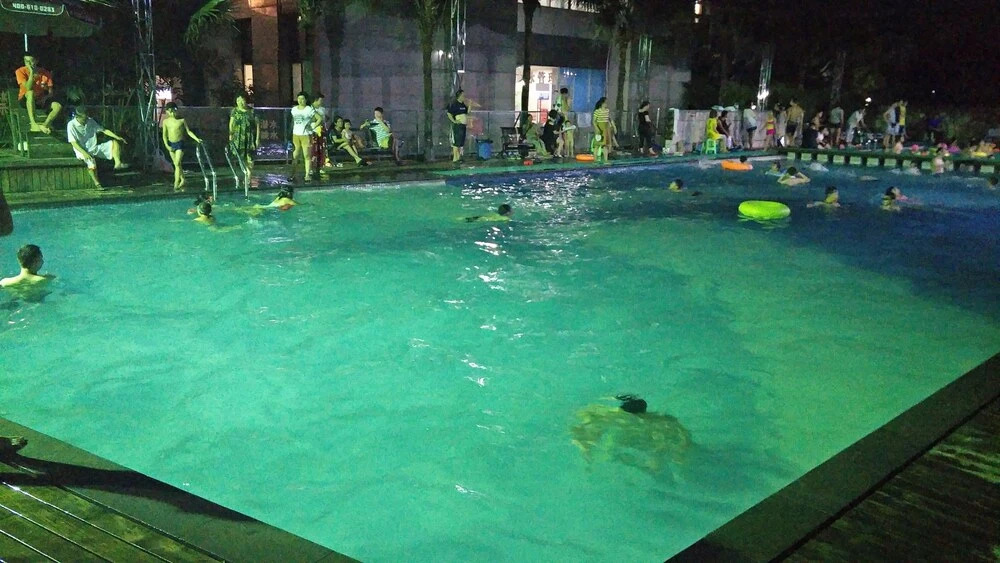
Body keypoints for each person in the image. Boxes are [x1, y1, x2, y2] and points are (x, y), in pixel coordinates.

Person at [570, 394, 692, 474]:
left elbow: (580, 428)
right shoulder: (662, 420)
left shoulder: (601, 414)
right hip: (641, 446)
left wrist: (585, 449)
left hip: (623, 446)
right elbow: (681, 435)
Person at [66, 106, 128, 189]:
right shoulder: (71, 125)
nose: (86, 120)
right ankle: (97, 183)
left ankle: (117, 163)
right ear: (77, 117)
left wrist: (117, 137)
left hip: (93, 147)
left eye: (86, 117)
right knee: (91, 162)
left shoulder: (90, 121)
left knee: (114, 143)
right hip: (81, 150)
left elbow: (103, 130)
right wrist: (85, 153)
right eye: (84, 119)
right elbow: (73, 143)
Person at [14, 53, 62, 134]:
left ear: (36, 61)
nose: (29, 64)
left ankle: (45, 125)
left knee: (58, 106)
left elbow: (50, 92)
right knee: (30, 93)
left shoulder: (45, 73)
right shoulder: (20, 71)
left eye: (31, 61)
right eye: (26, 61)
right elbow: (28, 88)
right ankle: (33, 123)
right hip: (26, 99)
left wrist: (44, 98)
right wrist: (31, 73)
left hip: (40, 99)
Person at [161, 102, 203, 192]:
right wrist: (167, 146)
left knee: (177, 163)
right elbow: (164, 136)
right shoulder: (166, 122)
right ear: (167, 112)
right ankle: (183, 179)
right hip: (171, 144)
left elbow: (188, 132)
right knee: (177, 164)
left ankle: (176, 183)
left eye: (174, 111)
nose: (173, 113)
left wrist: (197, 139)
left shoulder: (181, 120)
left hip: (180, 144)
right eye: (171, 111)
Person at [228, 93, 260, 175]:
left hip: (250, 137)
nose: (240, 102)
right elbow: (231, 124)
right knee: (241, 156)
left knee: (250, 156)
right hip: (238, 137)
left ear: (245, 100)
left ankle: (248, 173)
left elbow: (257, 125)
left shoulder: (252, 111)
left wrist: (257, 139)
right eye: (238, 100)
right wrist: (231, 134)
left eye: (242, 100)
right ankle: (246, 173)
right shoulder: (234, 111)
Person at [290, 92, 316, 181]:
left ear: (306, 100)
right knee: (295, 155)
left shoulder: (309, 109)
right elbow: (293, 121)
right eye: (299, 99)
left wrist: (312, 126)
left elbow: (318, 118)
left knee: (306, 155)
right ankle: (293, 174)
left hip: (306, 134)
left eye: (302, 99)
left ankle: (307, 174)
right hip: (296, 134)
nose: (300, 101)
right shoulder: (294, 109)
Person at [447, 89, 475, 163]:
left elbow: (467, 112)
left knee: (460, 142)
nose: (464, 97)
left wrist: (470, 105)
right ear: (459, 96)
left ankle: (458, 157)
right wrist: (454, 121)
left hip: (463, 126)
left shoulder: (463, 105)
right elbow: (449, 113)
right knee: (456, 143)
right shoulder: (455, 104)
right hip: (457, 126)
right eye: (463, 95)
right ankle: (455, 158)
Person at [553, 87, 575, 157]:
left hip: (560, 118)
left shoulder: (558, 99)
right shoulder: (563, 99)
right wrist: (567, 102)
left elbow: (557, 108)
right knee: (564, 134)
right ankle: (564, 152)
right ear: (565, 93)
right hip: (563, 118)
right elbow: (566, 109)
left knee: (562, 135)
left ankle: (563, 151)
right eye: (566, 94)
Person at [309, 93, 328, 176]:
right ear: (315, 100)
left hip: (321, 131)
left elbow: (325, 119)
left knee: (322, 149)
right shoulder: (309, 109)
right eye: (320, 100)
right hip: (313, 131)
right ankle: (310, 168)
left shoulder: (322, 109)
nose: (321, 102)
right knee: (313, 150)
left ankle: (320, 167)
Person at [592, 97, 612, 163]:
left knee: (605, 145)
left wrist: (612, 126)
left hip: (605, 129)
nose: (606, 104)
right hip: (599, 128)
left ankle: (606, 160)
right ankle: (595, 160)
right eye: (605, 102)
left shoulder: (607, 111)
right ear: (602, 103)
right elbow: (594, 121)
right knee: (597, 145)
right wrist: (597, 128)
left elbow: (608, 120)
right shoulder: (597, 111)